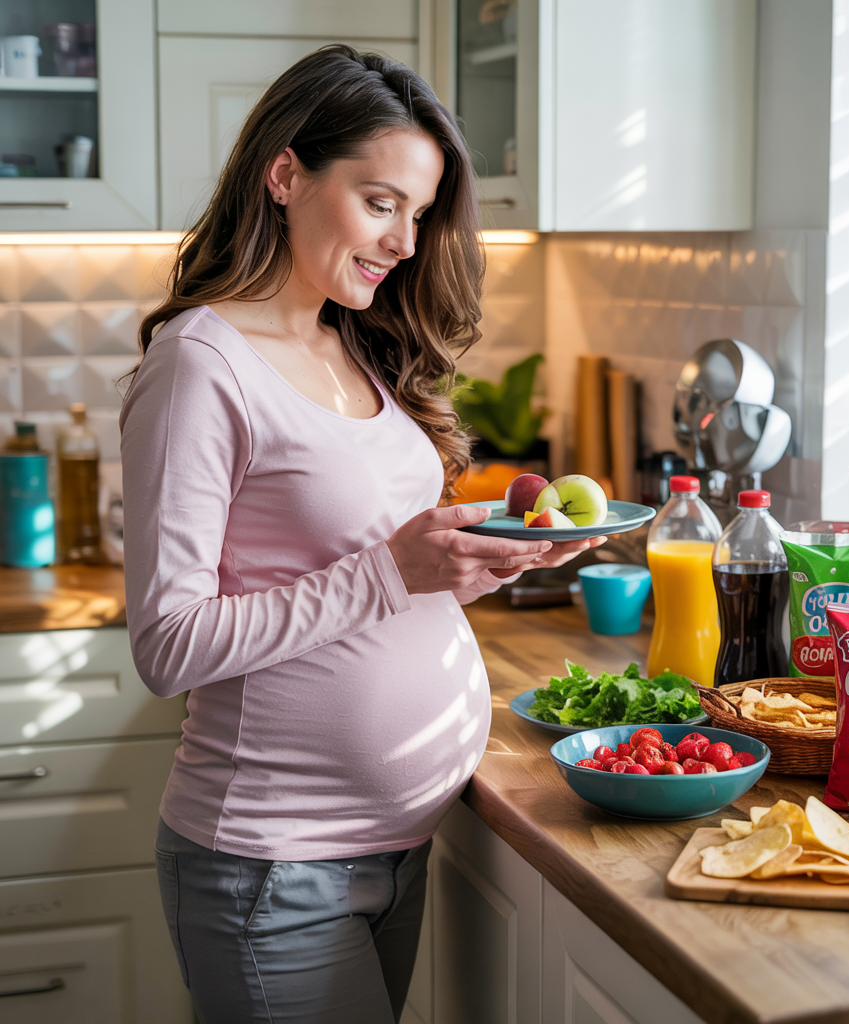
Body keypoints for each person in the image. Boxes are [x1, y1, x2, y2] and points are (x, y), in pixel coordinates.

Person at [120, 45, 602, 1024]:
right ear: (287, 173)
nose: (404, 240)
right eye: (381, 202)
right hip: (270, 866)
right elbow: (167, 644)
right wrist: (393, 570)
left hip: (392, 844)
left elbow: (367, 576)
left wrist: (478, 560)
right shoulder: (201, 365)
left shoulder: (353, 341)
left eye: (419, 215)